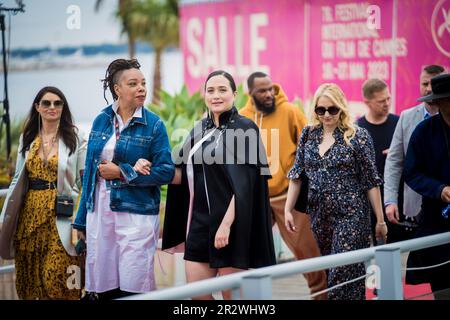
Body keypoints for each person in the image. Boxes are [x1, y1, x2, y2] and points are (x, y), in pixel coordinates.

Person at [162, 70, 276, 300]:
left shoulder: (245, 128)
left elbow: (247, 184)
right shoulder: (198, 130)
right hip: (200, 226)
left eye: (222, 90)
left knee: (233, 300)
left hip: (231, 226)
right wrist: (144, 169)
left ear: (234, 94)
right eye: (211, 90)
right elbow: (181, 175)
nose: (216, 95)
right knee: (197, 296)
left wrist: (225, 225)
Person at [72, 58, 175, 300]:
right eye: (133, 83)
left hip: (136, 214)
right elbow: (89, 172)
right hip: (100, 214)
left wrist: (122, 172)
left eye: (143, 83)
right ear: (117, 89)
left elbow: (166, 171)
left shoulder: (154, 125)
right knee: (104, 287)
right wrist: (81, 221)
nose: (142, 88)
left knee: (135, 285)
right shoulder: (101, 120)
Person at [284, 83, 388, 300]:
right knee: (338, 274)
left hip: (352, 215)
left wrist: (380, 220)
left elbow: (371, 180)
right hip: (320, 217)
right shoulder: (308, 135)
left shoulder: (357, 136)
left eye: (332, 109)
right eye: (320, 110)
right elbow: (297, 175)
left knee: (341, 276)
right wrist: (287, 210)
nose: (327, 115)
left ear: (341, 107)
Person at [239, 72, 327, 299]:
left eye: (271, 89)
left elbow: (313, 146)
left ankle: (321, 295)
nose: (269, 94)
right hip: (255, 198)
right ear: (250, 93)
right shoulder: (241, 118)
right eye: (262, 91)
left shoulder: (289, 111)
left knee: (310, 255)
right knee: (244, 255)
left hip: (289, 195)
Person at [0, 86, 87, 300]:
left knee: (59, 278)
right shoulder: (27, 138)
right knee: (31, 284)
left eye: (57, 103)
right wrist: (5, 217)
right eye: (46, 103)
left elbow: (84, 179)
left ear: (63, 107)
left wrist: (83, 219)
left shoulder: (76, 137)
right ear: (37, 107)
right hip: (29, 219)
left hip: (61, 217)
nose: (52, 107)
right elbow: (17, 179)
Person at [384, 65, 445, 242]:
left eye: (433, 84)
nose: (429, 89)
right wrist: (390, 200)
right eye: (424, 83)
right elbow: (394, 162)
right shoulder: (407, 117)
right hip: (415, 209)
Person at [404, 73, 450, 299]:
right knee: (441, 287)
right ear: (438, 102)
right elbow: (411, 173)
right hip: (436, 218)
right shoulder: (423, 132)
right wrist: (439, 189)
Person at [357, 79, 399, 244]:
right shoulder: (358, 130)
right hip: (368, 203)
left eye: (388, 98)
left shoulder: (398, 123)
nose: (387, 103)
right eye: (381, 101)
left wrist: (398, 156)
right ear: (367, 102)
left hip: (395, 200)